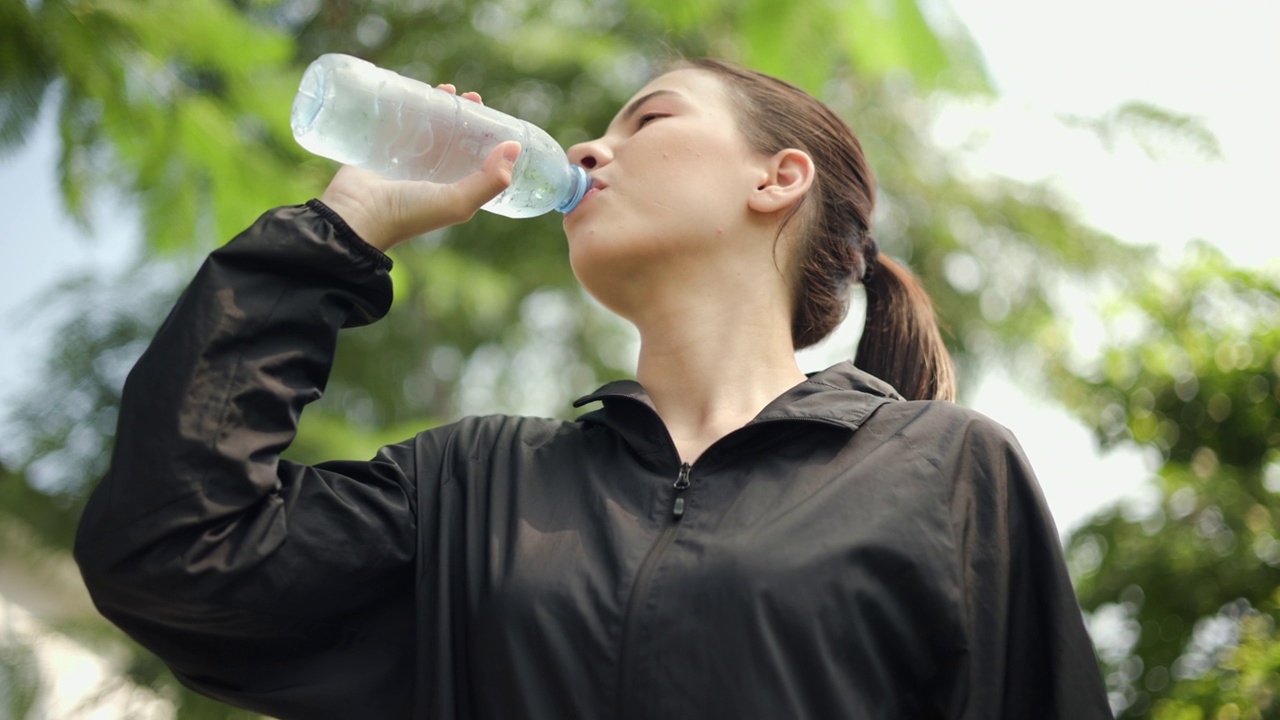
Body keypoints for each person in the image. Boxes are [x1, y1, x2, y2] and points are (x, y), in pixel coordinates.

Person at [74, 58, 1113, 719]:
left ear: (776, 178)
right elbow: (175, 553)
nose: (585, 150)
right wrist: (339, 233)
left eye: (645, 118)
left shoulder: (939, 469)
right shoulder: (473, 484)